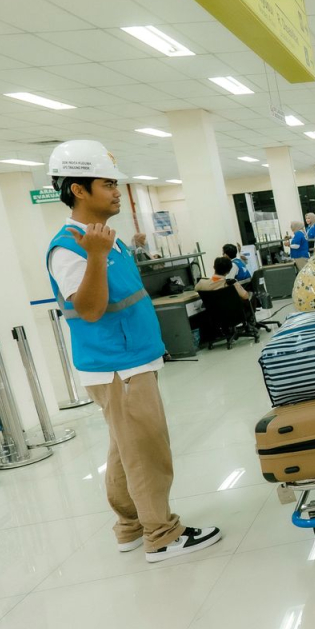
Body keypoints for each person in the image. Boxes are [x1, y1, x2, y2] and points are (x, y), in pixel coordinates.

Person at [44, 140, 222, 559]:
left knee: (125, 450)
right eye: (107, 184)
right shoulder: (71, 248)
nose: (116, 191)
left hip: (131, 359)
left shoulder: (105, 240)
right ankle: (161, 534)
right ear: (78, 190)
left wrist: (101, 252)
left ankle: (130, 526)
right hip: (117, 367)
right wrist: (94, 258)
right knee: (146, 451)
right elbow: (88, 310)